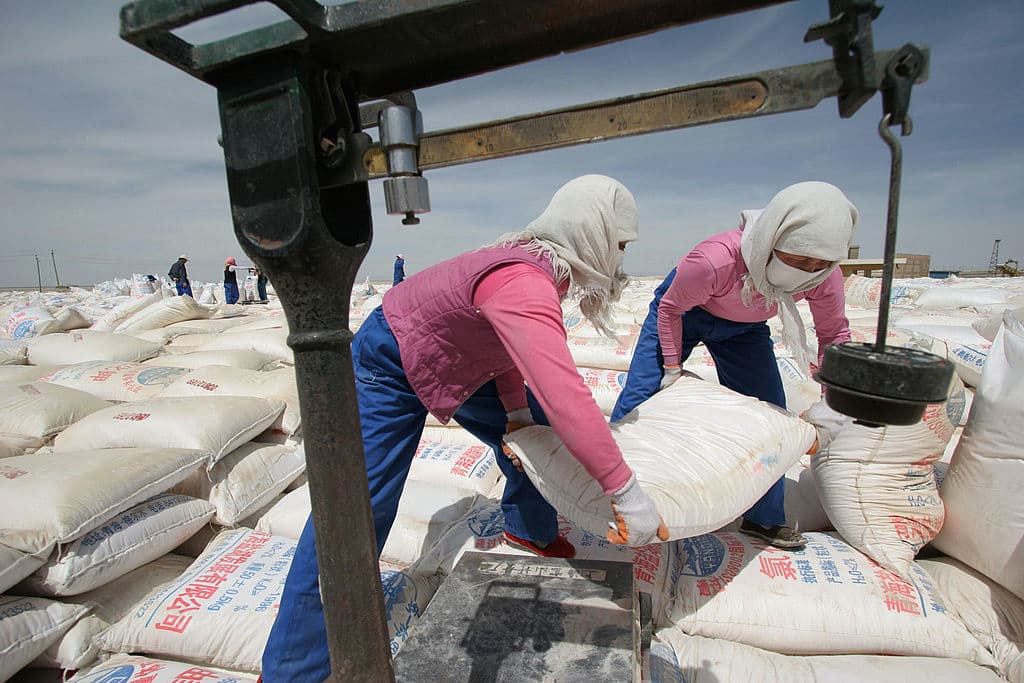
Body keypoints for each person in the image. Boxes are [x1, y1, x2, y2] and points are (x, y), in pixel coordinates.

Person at [261, 175, 668, 682]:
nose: (621, 258)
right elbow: (568, 396)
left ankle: (530, 529)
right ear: (592, 231)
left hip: (454, 356)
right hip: (390, 360)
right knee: (355, 512)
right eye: (620, 243)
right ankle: (292, 669)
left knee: (534, 432)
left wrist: (516, 416)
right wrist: (624, 491)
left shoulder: (541, 270)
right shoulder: (523, 280)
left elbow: (503, 349)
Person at [610, 181, 857, 550]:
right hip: (685, 314)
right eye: (800, 260)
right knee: (640, 398)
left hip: (745, 328)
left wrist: (835, 399)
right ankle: (614, 496)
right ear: (771, 241)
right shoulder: (716, 260)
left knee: (772, 415)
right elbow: (670, 309)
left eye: (821, 264)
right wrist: (673, 369)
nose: (809, 271)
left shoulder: (824, 278)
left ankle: (764, 518)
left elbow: (834, 334)